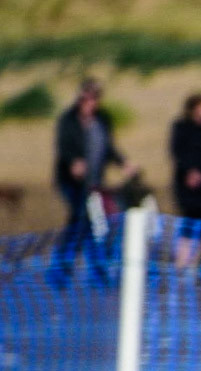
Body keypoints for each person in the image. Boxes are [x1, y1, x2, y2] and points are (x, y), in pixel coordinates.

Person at [50, 77, 134, 285]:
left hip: (94, 183)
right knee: (83, 222)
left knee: (87, 223)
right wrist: (73, 163)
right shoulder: (68, 120)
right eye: (86, 98)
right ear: (80, 98)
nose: (90, 103)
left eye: (94, 98)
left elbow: (109, 147)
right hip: (72, 182)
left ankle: (70, 269)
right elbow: (63, 146)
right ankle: (72, 269)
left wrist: (123, 162)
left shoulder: (102, 120)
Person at [169, 92, 201, 268]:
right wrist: (189, 171)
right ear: (193, 108)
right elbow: (176, 152)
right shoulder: (181, 126)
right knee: (188, 221)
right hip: (185, 183)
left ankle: (196, 263)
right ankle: (181, 263)